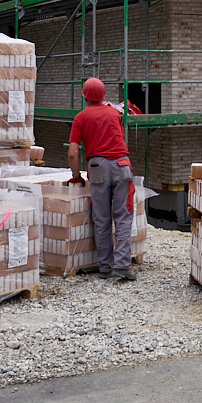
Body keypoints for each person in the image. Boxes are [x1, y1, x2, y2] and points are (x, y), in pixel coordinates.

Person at [67, 77, 136, 281]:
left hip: (97, 166)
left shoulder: (80, 117)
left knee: (101, 218)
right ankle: (122, 266)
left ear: (83, 95)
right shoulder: (115, 113)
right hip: (122, 165)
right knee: (123, 217)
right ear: (104, 95)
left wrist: (76, 176)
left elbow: (72, 153)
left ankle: (105, 267)